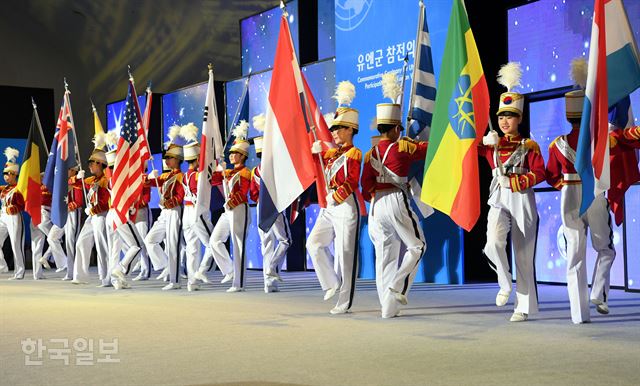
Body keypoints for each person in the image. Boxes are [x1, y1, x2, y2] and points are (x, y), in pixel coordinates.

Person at [479, 62, 545, 322]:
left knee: (523, 254)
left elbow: (540, 173)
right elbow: (465, 150)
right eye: (501, 116)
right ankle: (505, 283)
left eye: (510, 116)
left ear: (519, 118)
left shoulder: (529, 145)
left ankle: (523, 306)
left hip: (521, 197)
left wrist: (517, 183)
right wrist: (482, 140)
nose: (505, 121)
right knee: (493, 242)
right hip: (498, 196)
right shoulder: (492, 143)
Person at [361, 73, 428, 318]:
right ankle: (398, 286)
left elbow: (364, 183)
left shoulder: (370, 154)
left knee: (385, 256)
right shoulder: (403, 145)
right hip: (396, 200)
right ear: (397, 128)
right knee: (418, 246)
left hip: (376, 205)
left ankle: (387, 309)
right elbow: (427, 150)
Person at [248, 113, 291, 293]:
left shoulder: (254, 171)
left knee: (267, 244)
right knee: (285, 240)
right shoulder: (275, 169)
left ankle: (268, 283)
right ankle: (271, 269)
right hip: (274, 207)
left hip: (260, 207)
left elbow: (253, 193)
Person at [207, 120, 251, 292]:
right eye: (231, 153)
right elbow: (211, 180)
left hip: (239, 208)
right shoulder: (227, 172)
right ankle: (229, 270)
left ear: (243, 156)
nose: (232, 156)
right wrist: (216, 167)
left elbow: (243, 192)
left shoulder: (246, 172)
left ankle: (239, 283)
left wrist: (231, 201)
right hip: (228, 210)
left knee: (238, 244)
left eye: (235, 153)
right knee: (214, 241)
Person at [144, 126, 185, 290]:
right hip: (164, 214)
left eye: (170, 158)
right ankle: (166, 266)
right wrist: (148, 177)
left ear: (178, 160)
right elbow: (150, 183)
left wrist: (168, 202)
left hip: (174, 211)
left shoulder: (180, 176)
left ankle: (174, 281)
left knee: (173, 245)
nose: (167, 160)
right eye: (166, 157)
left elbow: (180, 196)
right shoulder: (166, 176)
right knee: (150, 240)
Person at [72, 140, 110, 285]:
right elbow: (70, 182)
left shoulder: (105, 181)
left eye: (92, 163)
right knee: (81, 243)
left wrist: (93, 209)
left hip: (102, 216)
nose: (89, 166)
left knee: (102, 247)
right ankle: (80, 276)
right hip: (92, 216)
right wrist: (77, 177)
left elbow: (106, 202)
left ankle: (106, 277)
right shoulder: (91, 179)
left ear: (100, 163)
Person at [47, 166, 83, 281]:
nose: (65, 171)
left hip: (73, 213)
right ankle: (64, 264)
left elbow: (78, 201)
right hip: (62, 214)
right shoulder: (63, 182)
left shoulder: (77, 181)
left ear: (73, 170)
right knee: (52, 237)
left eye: (68, 169)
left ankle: (74, 273)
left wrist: (68, 207)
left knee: (71, 243)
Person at [0, 147, 25, 280]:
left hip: (14, 217)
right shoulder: (3, 189)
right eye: (4, 173)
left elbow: (23, 204)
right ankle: (2, 266)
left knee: (16, 244)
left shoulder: (18, 188)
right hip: (3, 216)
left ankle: (19, 272)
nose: (5, 176)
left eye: (8, 173)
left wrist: (15, 207)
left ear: (14, 174)